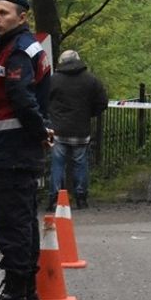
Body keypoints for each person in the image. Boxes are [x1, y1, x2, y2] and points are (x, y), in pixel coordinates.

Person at [0, 0, 53, 300]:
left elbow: (22, 98)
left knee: (11, 223)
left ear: (22, 17)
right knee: (24, 220)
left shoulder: (18, 52)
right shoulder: (18, 47)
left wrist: (39, 132)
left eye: (4, 13)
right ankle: (28, 291)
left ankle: (14, 294)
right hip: (17, 149)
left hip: (12, 150)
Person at [46, 49, 108, 211]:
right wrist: (89, 113)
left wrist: (52, 117)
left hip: (58, 130)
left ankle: (54, 198)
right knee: (81, 163)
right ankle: (81, 198)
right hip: (81, 130)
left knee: (57, 164)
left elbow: (43, 100)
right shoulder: (91, 80)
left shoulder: (54, 80)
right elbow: (102, 102)